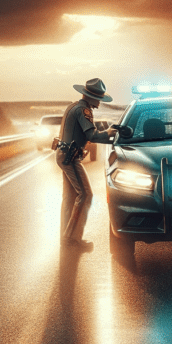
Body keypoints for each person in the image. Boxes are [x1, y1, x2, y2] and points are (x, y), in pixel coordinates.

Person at [59, 78, 116, 249]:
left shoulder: (73, 106)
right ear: (91, 97)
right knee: (85, 195)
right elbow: (92, 135)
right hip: (70, 157)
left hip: (65, 154)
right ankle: (73, 238)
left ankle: (66, 236)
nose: (99, 103)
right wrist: (109, 133)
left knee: (70, 197)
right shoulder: (84, 110)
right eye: (98, 99)